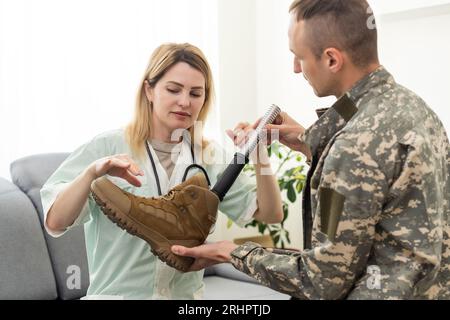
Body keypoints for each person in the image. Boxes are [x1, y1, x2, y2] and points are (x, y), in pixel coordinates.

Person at [171, 0, 450, 300]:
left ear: (331, 59)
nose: (294, 68)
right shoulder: (416, 111)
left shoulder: (352, 147)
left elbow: (322, 280)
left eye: (298, 57)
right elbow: (381, 180)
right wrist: (310, 142)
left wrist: (235, 253)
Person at [40, 43, 283, 299]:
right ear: (149, 90)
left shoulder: (209, 157)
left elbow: (270, 213)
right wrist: (91, 174)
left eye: (195, 93)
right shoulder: (107, 147)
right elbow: (56, 222)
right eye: (173, 89)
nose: (184, 102)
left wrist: (260, 156)